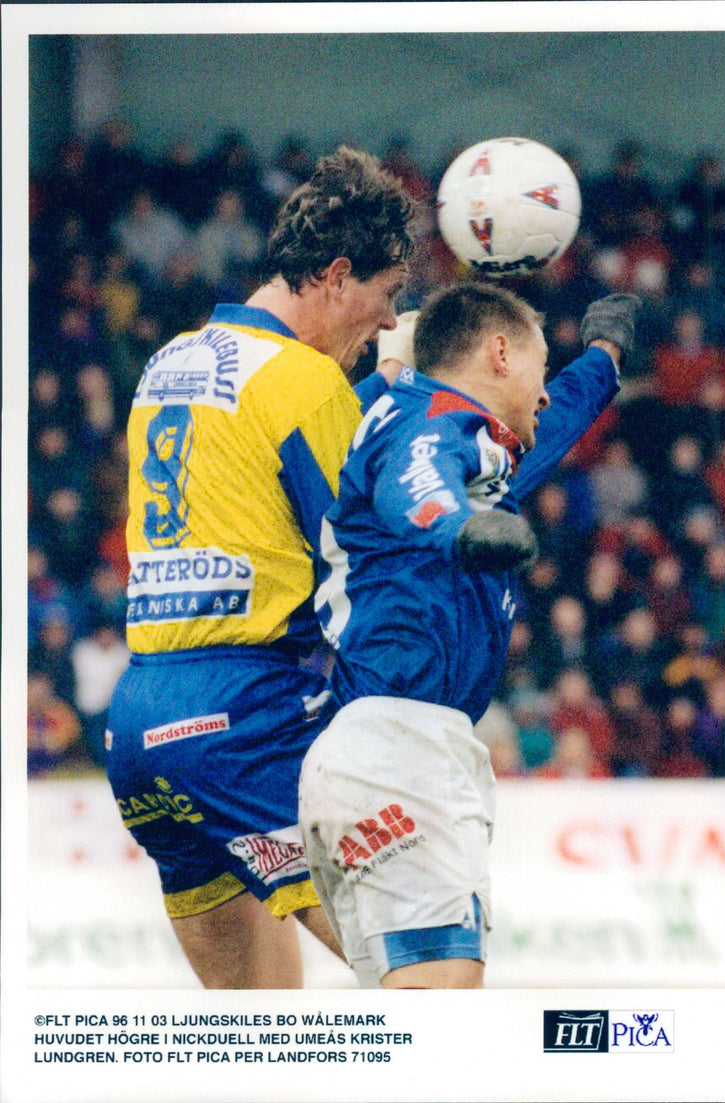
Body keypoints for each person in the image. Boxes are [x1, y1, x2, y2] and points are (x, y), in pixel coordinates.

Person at [105, 146, 417, 989]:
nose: (389, 321)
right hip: (245, 717)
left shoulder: (169, 361)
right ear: (338, 274)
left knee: (258, 1039)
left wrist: (370, 385)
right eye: (388, 296)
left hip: (140, 724)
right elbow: (360, 545)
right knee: (427, 977)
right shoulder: (307, 384)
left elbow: (256, 470)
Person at [299, 281, 640, 988]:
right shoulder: (425, 422)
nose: (546, 392)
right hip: (397, 743)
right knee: (438, 1013)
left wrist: (603, 357)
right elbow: (416, 481)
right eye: (541, 368)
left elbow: (554, 423)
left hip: (398, 744)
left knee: (422, 1016)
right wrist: (459, 527)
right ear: (499, 353)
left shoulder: (474, 445)